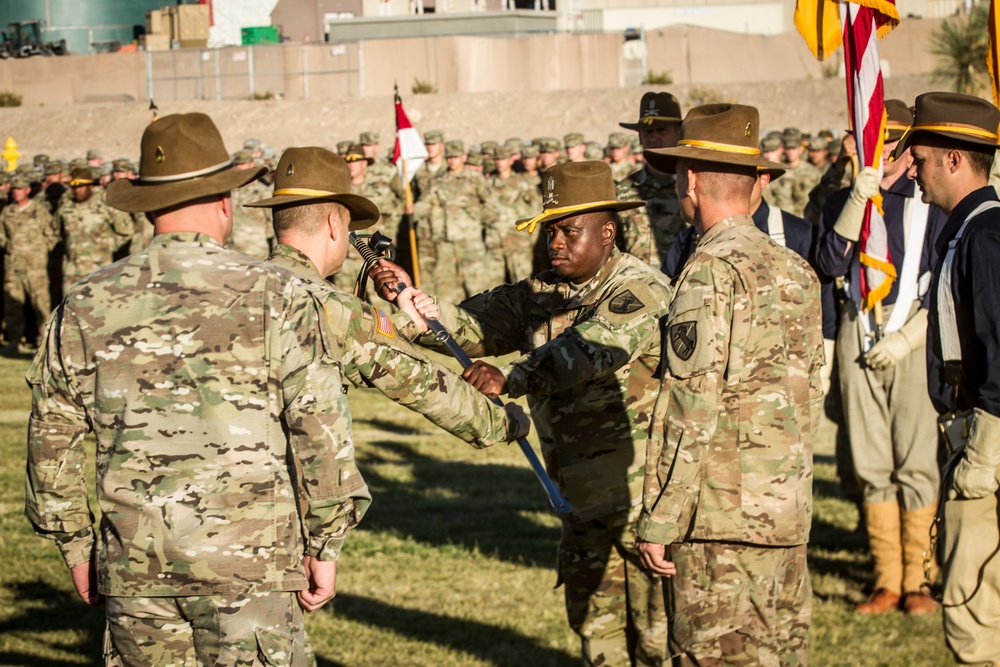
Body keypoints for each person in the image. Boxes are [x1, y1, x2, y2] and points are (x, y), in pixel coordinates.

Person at [25, 112, 371, 666]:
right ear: (225, 201)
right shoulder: (277, 294)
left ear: (146, 207)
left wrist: (74, 545)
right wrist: (325, 545)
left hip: (135, 569)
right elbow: (320, 431)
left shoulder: (84, 304)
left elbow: (51, 441)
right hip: (252, 569)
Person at [375, 161, 673, 667]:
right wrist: (410, 300)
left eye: (568, 231)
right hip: (579, 500)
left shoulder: (638, 289)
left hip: (641, 501)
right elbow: (469, 326)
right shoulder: (542, 291)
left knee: (658, 638)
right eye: (550, 230)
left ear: (607, 232)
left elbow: (589, 350)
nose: (555, 243)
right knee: (595, 632)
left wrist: (512, 378)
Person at [637, 103, 822, 664]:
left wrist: (661, 517)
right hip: (785, 512)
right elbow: (812, 392)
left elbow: (690, 407)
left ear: (689, 178)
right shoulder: (796, 268)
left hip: (722, 522)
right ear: (756, 187)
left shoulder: (709, 269)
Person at [246, 144, 527, 448]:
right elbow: (417, 380)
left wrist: (407, 321)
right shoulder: (329, 305)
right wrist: (504, 422)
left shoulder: (240, 286)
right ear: (333, 224)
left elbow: (356, 337)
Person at [813, 98, 947, 615]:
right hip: (858, 327)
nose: (884, 149)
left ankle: (919, 579)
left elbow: (943, 280)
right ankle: (886, 578)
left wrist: (911, 337)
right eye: (875, 139)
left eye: (893, 140)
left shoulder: (928, 202)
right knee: (871, 460)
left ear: (909, 145)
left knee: (915, 459)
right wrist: (853, 202)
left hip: (910, 325)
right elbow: (828, 261)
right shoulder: (839, 202)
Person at [902, 91, 1000, 665]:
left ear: (954, 161)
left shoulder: (984, 236)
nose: (913, 172)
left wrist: (985, 452)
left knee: (972, 614)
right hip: (971, 436)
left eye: (922, 160)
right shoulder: (972, 230)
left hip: (984, 439)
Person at [615, 91, 686, 269]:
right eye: (647, 132)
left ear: (678, 134)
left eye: (661, 130)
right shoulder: (624, 190)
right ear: (639, 137)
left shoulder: (692, 186)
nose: (653, 137)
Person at [0, 174, 57, 355]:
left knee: (40, 304)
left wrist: (39, 251)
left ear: (27, 190)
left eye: (20, 188)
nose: (16, 192)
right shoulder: (7, 212)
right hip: (13, 265)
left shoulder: (39, 210)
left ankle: (44, 340)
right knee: (12, 304)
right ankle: (15, 340)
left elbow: (51, 234)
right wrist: (9, 247)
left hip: (35, 267)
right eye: (14, 189)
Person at [55, 167, 134, 292]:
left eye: (81, 186)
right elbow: (56, 232)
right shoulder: (65, 207)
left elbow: (126, 231)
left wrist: (108, 246)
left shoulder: (104, 205)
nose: (77, 191)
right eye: (74, 187)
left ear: (90, 186)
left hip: (100, 269)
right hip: (72, 271)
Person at [226, 149, 274, 258]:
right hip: (231, 250)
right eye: (237, 164)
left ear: (251, 164)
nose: (239, 167)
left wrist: (261, 238)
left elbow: (271, 220)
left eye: (243, 164)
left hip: (255, 251)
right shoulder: (229, 191)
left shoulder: (262, 191)